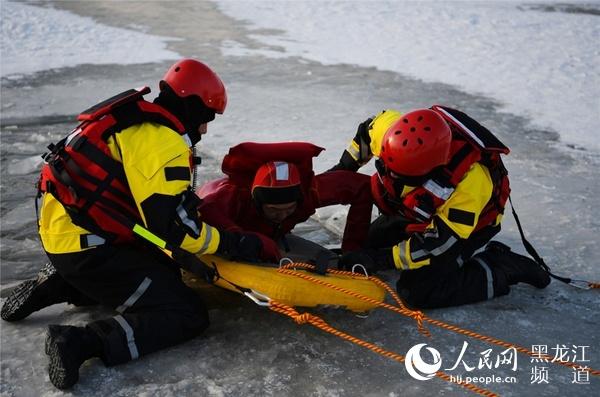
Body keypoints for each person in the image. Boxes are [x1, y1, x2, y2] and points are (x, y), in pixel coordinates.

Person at [0, 59, 263, 389]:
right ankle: (79, 342)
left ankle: (60, 283)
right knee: (185, 311)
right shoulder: (161, 141)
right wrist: (232, 243)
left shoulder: (132, 120)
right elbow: (175, 230)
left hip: (66, 235)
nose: (205, 128)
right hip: (90, 249)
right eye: (207, 116)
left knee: (165, 272)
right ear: (191, 105)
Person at [334, 106, 550, 308]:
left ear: (431, 171)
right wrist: (339, 172)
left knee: (417, 291)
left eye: (402, 176)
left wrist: (381, 259)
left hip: (467, 229)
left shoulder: (471, 182)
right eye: (387, 168)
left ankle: (502, 266)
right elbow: (365, 133)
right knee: (365, 245)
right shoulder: (390, 132)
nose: (391, 177)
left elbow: (439, 242)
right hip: (417, 212)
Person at [197, 141, 373, 263]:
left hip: (274, 237)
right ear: (257, 203)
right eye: (273, 210)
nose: (281, 215)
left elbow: (362, 187)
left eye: (289, 209)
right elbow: (201, 210)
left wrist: (352, 249)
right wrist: (243, 238)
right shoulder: (229, 198)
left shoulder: (309, 192)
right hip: (229, 233)